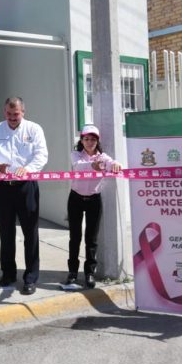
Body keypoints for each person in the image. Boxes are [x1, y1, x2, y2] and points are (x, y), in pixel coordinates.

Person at [0, 97, 48, 295]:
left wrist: (27, 169)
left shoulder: (34, 129)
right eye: (9, 114)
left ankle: (30, 277)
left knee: (31, 233)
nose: (12, 118)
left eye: (16, 114)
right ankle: (8, 274)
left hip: (26, 186)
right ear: (5, 112)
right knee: (6, 233)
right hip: (3, 186)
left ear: (23, 112)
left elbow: (42, 155)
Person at [64, 124, 121, 290]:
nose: (89, 142)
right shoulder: (75, 154)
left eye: (93, 139)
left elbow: (112, 163)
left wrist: (116, 164)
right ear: (81, 140)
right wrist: (93, 166)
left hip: (94, 200)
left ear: (97, 141)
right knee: (75, 237)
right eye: (86, 139)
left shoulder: (103, 157)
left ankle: (89, 272)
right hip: (75, 199)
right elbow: (78, 166)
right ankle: (72, 272)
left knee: (92, 238)